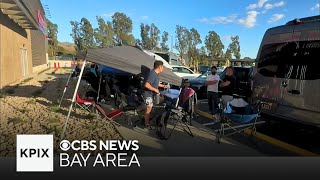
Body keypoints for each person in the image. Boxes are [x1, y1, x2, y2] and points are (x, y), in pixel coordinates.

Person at [144, 60, 167, 129]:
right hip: (148, 95)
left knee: (154, 108)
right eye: (163, 67)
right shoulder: (152, 74)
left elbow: (155, 83)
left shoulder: (156, 74)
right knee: (149, 109)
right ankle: (147, 124)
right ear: (160, 67)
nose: (163, 69)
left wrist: (163, 86)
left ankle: (151, 120)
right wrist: (155, 89)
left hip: (152, 94)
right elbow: (147, 85)